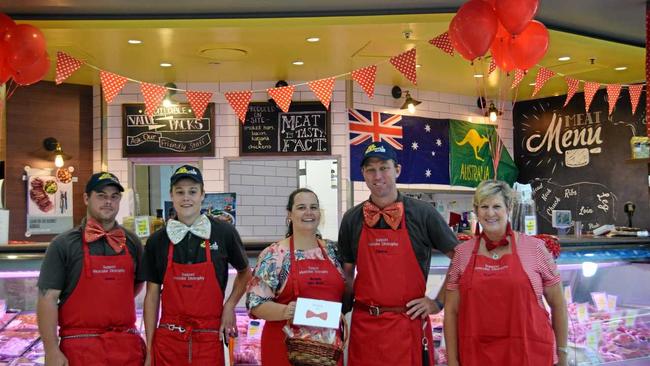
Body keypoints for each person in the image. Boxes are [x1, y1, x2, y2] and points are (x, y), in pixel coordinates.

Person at [338, 141, 458, 366]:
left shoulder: (423, 213)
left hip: (409, 324)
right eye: (371, 169)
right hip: (365, 327)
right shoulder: (352, 218)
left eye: (384, 167)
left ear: (397, 170)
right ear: (363, 173)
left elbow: (460, 257)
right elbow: (347, 273)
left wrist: (437, 302)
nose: (378, 175)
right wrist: (336, 312)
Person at [443, 180, 568, 366]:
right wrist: (452, 361)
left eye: (496, 206)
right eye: (484, 206)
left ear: (509, 208)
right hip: (477, 355)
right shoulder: (463, 253)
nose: (490, 213)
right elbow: (451, 312)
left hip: (529, 354)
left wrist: (562, 354)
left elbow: (558, 304)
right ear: (476, 211)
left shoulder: (535, 249)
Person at [142, 165, 251, 366]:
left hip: (209, 337)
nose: (186, 198)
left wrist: (229, 306)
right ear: (171, 196)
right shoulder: (157, 240)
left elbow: (245, 272)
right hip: (169, 339)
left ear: (202, 195)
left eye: (192, 192)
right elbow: (152, 294)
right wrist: (149, 347)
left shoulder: (224, 232)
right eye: (180, 192)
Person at [37, 172, 145, 366]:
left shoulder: (132, 242)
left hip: (126, 348)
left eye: (114, 196)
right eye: (101, 195)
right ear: (87, 198)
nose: (108, 202)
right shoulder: (63, 244)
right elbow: (47, 298)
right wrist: (51, 350)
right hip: (80, 350)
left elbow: (135, 286)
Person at [247, 188, 344, 365]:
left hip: (327, 351)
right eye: (301, 207)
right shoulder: (274, 254)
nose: (309, 212)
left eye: (313, 207)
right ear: (289, 214)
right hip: (284, 349)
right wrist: (286, 311)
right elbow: (255, 304)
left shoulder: (334, 251)